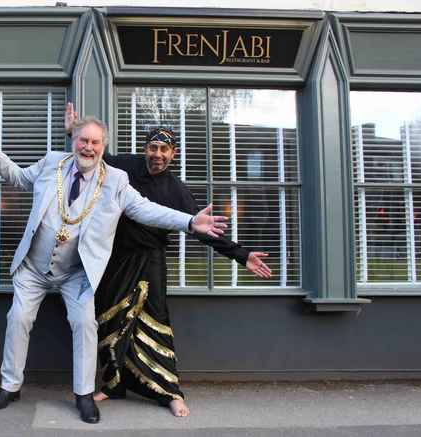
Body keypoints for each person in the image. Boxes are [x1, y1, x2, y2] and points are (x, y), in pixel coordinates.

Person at [0, 117, 228, 424]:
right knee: (18, 318)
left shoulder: (117, 180)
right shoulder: (51, 163)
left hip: (77, 271)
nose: (88, 147)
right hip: (33, 267)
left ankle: (83, 394)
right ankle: (9, 386)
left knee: (85, 324)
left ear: (103, 146)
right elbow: (17, 177)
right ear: (73, 140)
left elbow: (146, 208)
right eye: (83, 140)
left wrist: (188, 222)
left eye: (95, 142)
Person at [65, 104, 273, 417]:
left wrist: (241, 255)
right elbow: (92, 154)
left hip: (150, 265)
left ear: (173, 154)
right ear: (144, 148)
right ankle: (113, 385)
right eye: (152, 147)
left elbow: (204, 229)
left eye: (164, 149)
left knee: (155, 324)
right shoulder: (125, 168)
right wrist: (73, 132)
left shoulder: (177, 190)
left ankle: (170, 393)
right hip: (114, 262)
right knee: (111, 323)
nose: (157, 154)